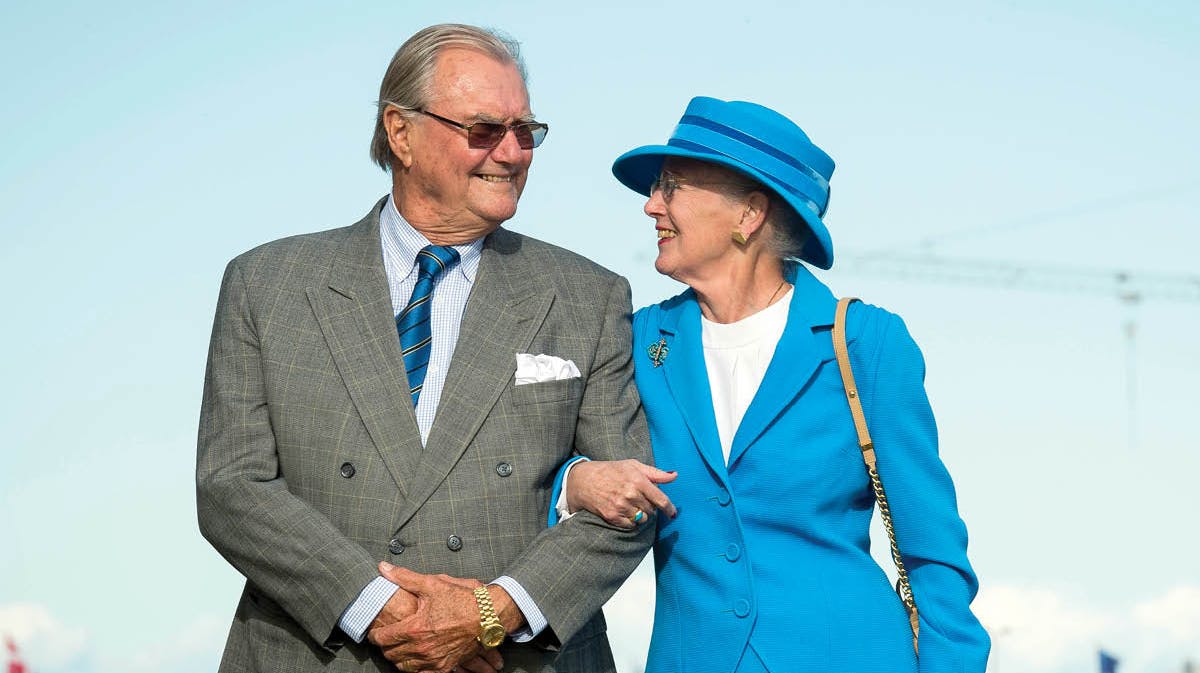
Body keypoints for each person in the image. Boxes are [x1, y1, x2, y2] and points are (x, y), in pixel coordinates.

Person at [196, 24, 653, 673]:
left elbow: (630, 505)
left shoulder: (590, 295)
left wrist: (490, 614)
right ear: (401, 132)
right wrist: (384, 610)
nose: (513, 151)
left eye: (527, 131)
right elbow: (231, 487)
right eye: (484, 129)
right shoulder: (267, 284)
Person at [553, 97, 991, 672]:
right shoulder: (637, 341)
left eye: (671, 185)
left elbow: (933, 553)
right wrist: (576, 479)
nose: (651, 205)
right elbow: (548, 466)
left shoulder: (865, 342)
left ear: (749, 214)